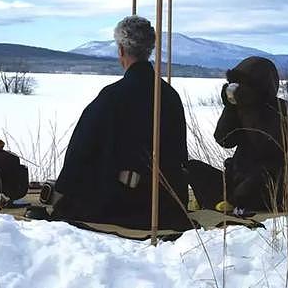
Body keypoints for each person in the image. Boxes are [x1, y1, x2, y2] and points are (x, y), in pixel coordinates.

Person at [49, 16, 190, 229]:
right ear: (149, 50)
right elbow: (180, 155)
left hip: (122, 204)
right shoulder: (170, 96)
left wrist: (61, 194)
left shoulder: (111, 97)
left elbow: (79, 152)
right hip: (166, 205)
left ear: (121, 51)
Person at [187, 56, 288, 214]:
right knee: (191, 167)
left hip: (267, 182)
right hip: (237, 176)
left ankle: (227, 202)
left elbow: (267, 146)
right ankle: (223, 201)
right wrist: (230, 108)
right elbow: (224, 139)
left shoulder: (283, 109)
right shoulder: (240, 107)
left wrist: (247, 108)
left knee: (256, 176)